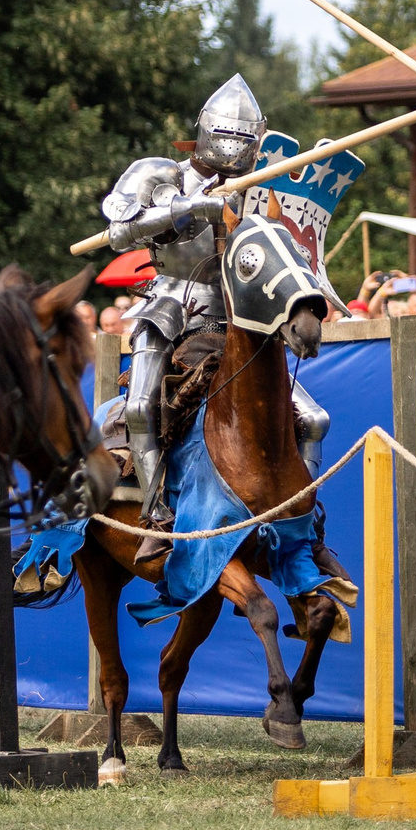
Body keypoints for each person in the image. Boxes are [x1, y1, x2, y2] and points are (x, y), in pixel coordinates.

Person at [101, 75, 267, 531]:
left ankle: (301, 527)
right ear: (207, 129)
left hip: (235, 313)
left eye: (245, 138)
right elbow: (118, 233)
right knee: (138, 409)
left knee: (310, 418)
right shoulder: (163, 174)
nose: (234, 148)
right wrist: (194, 208)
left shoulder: (260, 185)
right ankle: (155, 513)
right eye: (228, 134)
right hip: (169, 304)